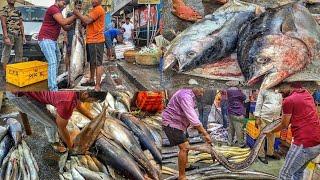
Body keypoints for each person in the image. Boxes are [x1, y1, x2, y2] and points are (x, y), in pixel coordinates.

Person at [7, 91, 107, 152]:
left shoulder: (78, 89)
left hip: (28, 89)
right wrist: (70, 146)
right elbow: (61, 127)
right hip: (19, 95)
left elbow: (79, 105)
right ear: (86, 94)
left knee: (53, 117)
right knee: (52, 124)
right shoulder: (68, 101)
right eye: (93, 100)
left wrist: (93, 118)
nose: (92, 103)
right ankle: (54, 142)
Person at [263, 83, 320, 180]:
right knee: (298, 172)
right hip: (316, 143)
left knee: (284, 175)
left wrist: (271, 131)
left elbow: (284, 125)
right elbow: (299, 113)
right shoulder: (306, 94)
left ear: (289, 85)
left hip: (303, 144)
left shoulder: (288, 100)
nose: (279, 92)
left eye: (281, 89)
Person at [162, 88, 212, 180]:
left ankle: (186, 166)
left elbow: (191, 115)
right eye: (201, 88)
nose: (203, 91)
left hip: (179, 124)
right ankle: (182, 176)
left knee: (186, 144)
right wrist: (205, 134)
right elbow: (193, 118)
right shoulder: (185, 96)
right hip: (172, 123)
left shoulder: (189, 94)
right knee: (184, 148)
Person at [38, 0, 77, 91]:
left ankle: (53, 81)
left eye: (65, 5)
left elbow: (66, 27)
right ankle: (53, 88)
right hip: (46, 39)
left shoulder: (58, 12)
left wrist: (74, 23)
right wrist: (76, 15)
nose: (64, 6)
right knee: (52, 62)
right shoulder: (53, 9)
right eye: (64, 3)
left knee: (58, 58)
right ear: (58, 1)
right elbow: (63, 22)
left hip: (52, 40)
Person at [73, 0, 105, 91]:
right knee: (92, 62)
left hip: (96, 41)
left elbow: (87, 20)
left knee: (98, 63)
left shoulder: (98, 9)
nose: (93, 1)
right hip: (91, 40)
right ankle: (91, 80)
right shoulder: (93, 10)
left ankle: (98, 86)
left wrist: (77, 13)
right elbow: (86, 22)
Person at [254, 89, 282, 164]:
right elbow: (259, 103)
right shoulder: (264, 90)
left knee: (272, 137)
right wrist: (257, 117)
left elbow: (281, 104)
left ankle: (270, 153)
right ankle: (261, 155)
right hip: (264, 117)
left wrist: (281, 116)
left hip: (275, 119)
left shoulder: (279, 91)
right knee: (261, 138)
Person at [0, 0, 25, 72]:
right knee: (6, 53)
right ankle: (5, 73)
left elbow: (21, 24)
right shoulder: (4, 9)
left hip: (18, 35)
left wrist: (23, 36)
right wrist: (6, 37)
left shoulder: (18, 11)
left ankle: (17, 72)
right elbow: (3, 24)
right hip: (9, 34)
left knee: (19, 53)